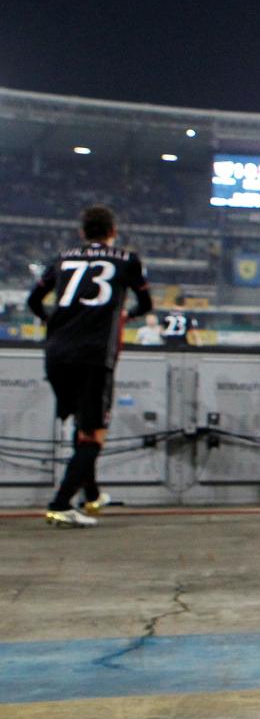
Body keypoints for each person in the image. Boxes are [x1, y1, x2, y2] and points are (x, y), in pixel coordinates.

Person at [26, 205, 152, 527]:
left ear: (82, 232)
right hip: (94, 355)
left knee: (82, 426)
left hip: (56, 353)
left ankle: (92, 496)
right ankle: (60, 503)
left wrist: (52, 322)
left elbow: (33, 301)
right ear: (113, 232)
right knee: (94, 434)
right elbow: (146, 304)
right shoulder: (127, 260)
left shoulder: (62, 258)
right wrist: (126, 315)